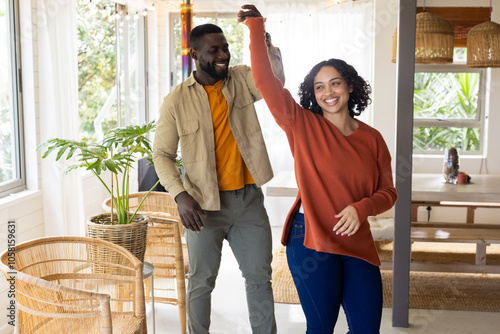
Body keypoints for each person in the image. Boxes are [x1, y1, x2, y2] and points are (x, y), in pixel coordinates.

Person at [239, 9, 398, 334]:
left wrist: (362, 207)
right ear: (314, 94)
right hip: (310, 236)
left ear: (349, 86)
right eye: (320, 87)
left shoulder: (373, 138)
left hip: (357, 241)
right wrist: (256, 28)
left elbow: (388, 192)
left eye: (335, 83)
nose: (328, 92)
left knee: (367, 328)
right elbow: (265, 82)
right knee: (321, 327)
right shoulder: (301, 125)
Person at [152, 5, 284, 334]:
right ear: (195, 53)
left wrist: (262, 37)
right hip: (201, 207)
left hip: (248, 201)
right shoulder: (176, 101)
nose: (223, 54)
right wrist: (180, 196)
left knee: (259, 278)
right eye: (214, 50)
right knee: (201, 282)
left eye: (225, 47)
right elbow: (162, 154)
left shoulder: (241, 77)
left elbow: (276, 79)